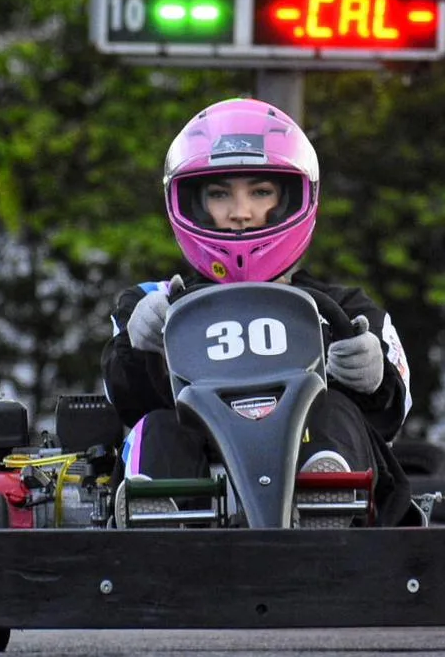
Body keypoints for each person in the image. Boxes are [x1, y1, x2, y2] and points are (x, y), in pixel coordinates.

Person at [101, 97, 416, 527]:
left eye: (260, 192)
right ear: (192, 202)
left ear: (292, 199)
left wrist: (373, 375)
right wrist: (140, 347)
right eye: (219, 194)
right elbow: (127, 402)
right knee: (156, 426)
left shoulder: (348, 312)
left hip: (305, 461)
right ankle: (157, 515)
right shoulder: (153, 303)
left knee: (336, 412)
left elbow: (390, 414)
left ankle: (325, 499)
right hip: (201, 467)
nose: (240, 214)